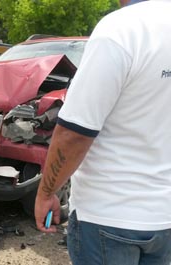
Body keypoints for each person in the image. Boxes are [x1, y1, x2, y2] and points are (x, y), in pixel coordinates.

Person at [34, 0, 171, 264]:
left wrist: (46, 194)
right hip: (165, 219)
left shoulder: (123, 28)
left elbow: (74, 134)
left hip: (108, 217)